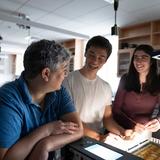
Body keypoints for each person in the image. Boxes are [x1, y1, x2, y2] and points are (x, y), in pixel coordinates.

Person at [0, 40, 83, 160]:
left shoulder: (59, 92)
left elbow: (78, 129)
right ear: (46, 73)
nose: (66, 75)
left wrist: (45, 144)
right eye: (64, 71)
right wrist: (47, 130)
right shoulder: (8, 98)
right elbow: (6, 158)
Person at [63, 35, 132, 141]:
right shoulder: (68, 80)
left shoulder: (105, 87)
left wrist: (122, 132)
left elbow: (107, 118)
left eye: (101, 58)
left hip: (96, 139)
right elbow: (68, 119)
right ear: (85, 53)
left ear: (105, 61)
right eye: (92, 55)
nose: (95, 61)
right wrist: (99, 137)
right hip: (72, 140)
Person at [112, 44, 160, 134]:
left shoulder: (158, 82)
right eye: (136, 57)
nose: (138, 61)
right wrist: (133, 125)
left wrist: (158, 121)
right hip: (121, 129)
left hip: (144, 132)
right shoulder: (125, 79)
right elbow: (116, 109)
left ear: (152, 61)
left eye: (144, 57)